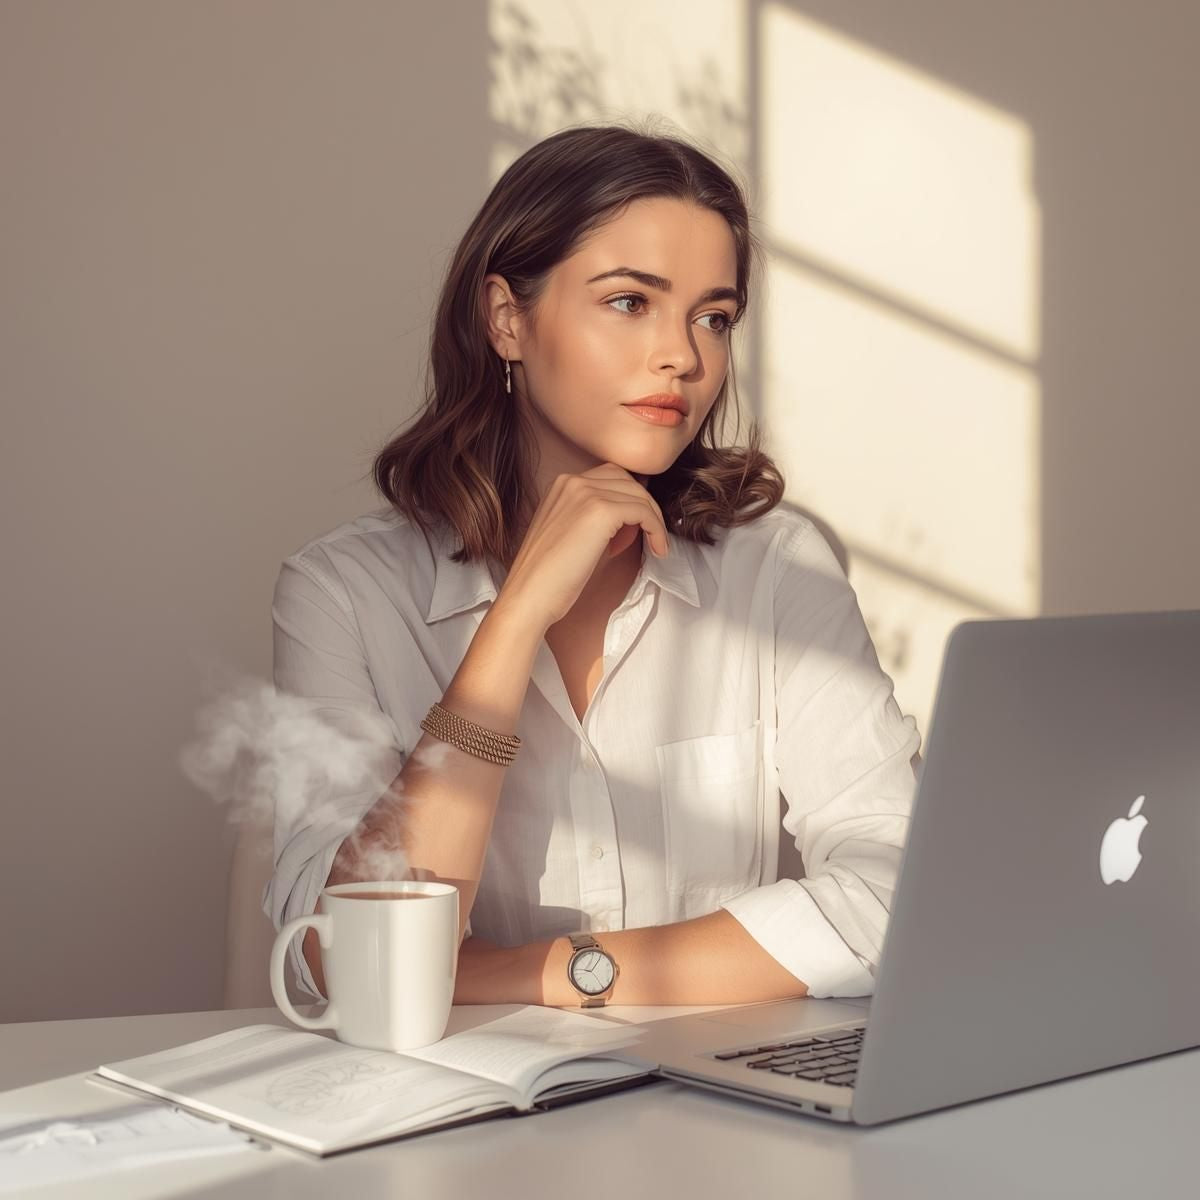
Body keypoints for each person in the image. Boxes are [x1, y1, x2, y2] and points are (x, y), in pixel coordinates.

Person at [264, 120, 922, 1009]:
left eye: (714, 317)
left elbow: (900, 901)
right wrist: (514, 620)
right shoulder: (342, 595)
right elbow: (341, 957)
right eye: (628, 301)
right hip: (451, 1126)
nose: (683, 357)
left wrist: (546, 974)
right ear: (507, 319)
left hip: (721, 1114)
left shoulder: (777, 568)